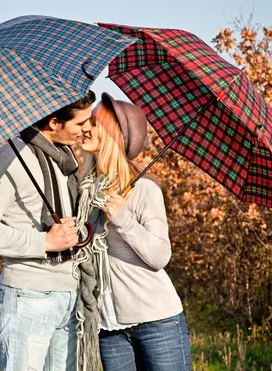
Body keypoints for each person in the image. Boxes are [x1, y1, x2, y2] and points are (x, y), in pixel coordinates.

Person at [0, 91, 95, 371]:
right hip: (29, 296)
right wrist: (44, 241)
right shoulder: (11, 158)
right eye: (80, 123)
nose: (87, 129)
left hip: (69, 294)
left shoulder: (65, 160)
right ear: (54, 122)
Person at [76, 92, 191, 371]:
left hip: (157, 323)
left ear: (114, 133)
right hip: (108, 328)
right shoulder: (84, 190)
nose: (85, 127)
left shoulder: (143, 189)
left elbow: (160, 255)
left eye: (94, 121)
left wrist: (124, 220)